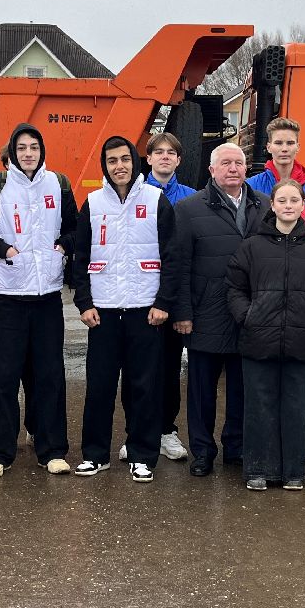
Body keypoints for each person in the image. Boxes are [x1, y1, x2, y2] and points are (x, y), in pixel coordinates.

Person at [0, 123, 77, 479]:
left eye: (34, 147)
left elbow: (75, 228)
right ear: (13, 152)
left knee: (49, 375)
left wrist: (64, 246)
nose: (28, 153)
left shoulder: (58, 185)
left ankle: (52, 449)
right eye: (22, 148)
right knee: (2, 376)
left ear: (42, 151)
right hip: (9, 296)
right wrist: (2, 249)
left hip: (47, 298)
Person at [160, 143, 268, 476]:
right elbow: (178, 265)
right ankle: (203, 452)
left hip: (249, 313)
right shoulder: (189, 209)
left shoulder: (264, 206)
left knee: (241, 387)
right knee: (202, 391)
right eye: (225, 163)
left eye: (238, 162)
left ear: (246, 167)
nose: (233, 168)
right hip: (206, 312)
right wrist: (182, 312)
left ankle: (235, 448)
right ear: (211, 169)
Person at [73, 136, 175, 482]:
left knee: (144, 386)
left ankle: (143, 454)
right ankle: (95, 454)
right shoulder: (92, 202)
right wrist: (84, 303)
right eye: (112, 160)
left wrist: (163, 302)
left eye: (125, 159)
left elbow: (172, 257)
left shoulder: (156, 200)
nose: (119, 166)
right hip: (102, 311)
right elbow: (80, 257)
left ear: (135, 161)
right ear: (105, 165)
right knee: (99, 386)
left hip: (144, 310)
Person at [226, 181, 305, 490]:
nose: (288, 205)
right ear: (272, 205)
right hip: (258, 339)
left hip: (303, 341)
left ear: (303, 205)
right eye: (282, 200)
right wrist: (247, 316)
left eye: (294, 200)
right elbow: (235, 287)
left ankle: (292, 472)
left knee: (297, 408)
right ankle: (258, 470)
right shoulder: (252, 246)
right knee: (258, 406)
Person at [139, 132, 195, 463]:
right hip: (141, 295)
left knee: (171, 366)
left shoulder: (191, 198)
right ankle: (140, 430)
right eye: (157, 152)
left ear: (178, 160)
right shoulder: (135, 195)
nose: (164, 157)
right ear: (148, 159)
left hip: (176, 297)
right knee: (141, 367)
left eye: (170, 153)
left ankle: (166, 430)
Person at [245, 117, 305, 204]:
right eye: (278, 143)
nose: (284, 149)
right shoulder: (251, 186)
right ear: (268, 147)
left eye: (290, 143)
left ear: (298, 147)